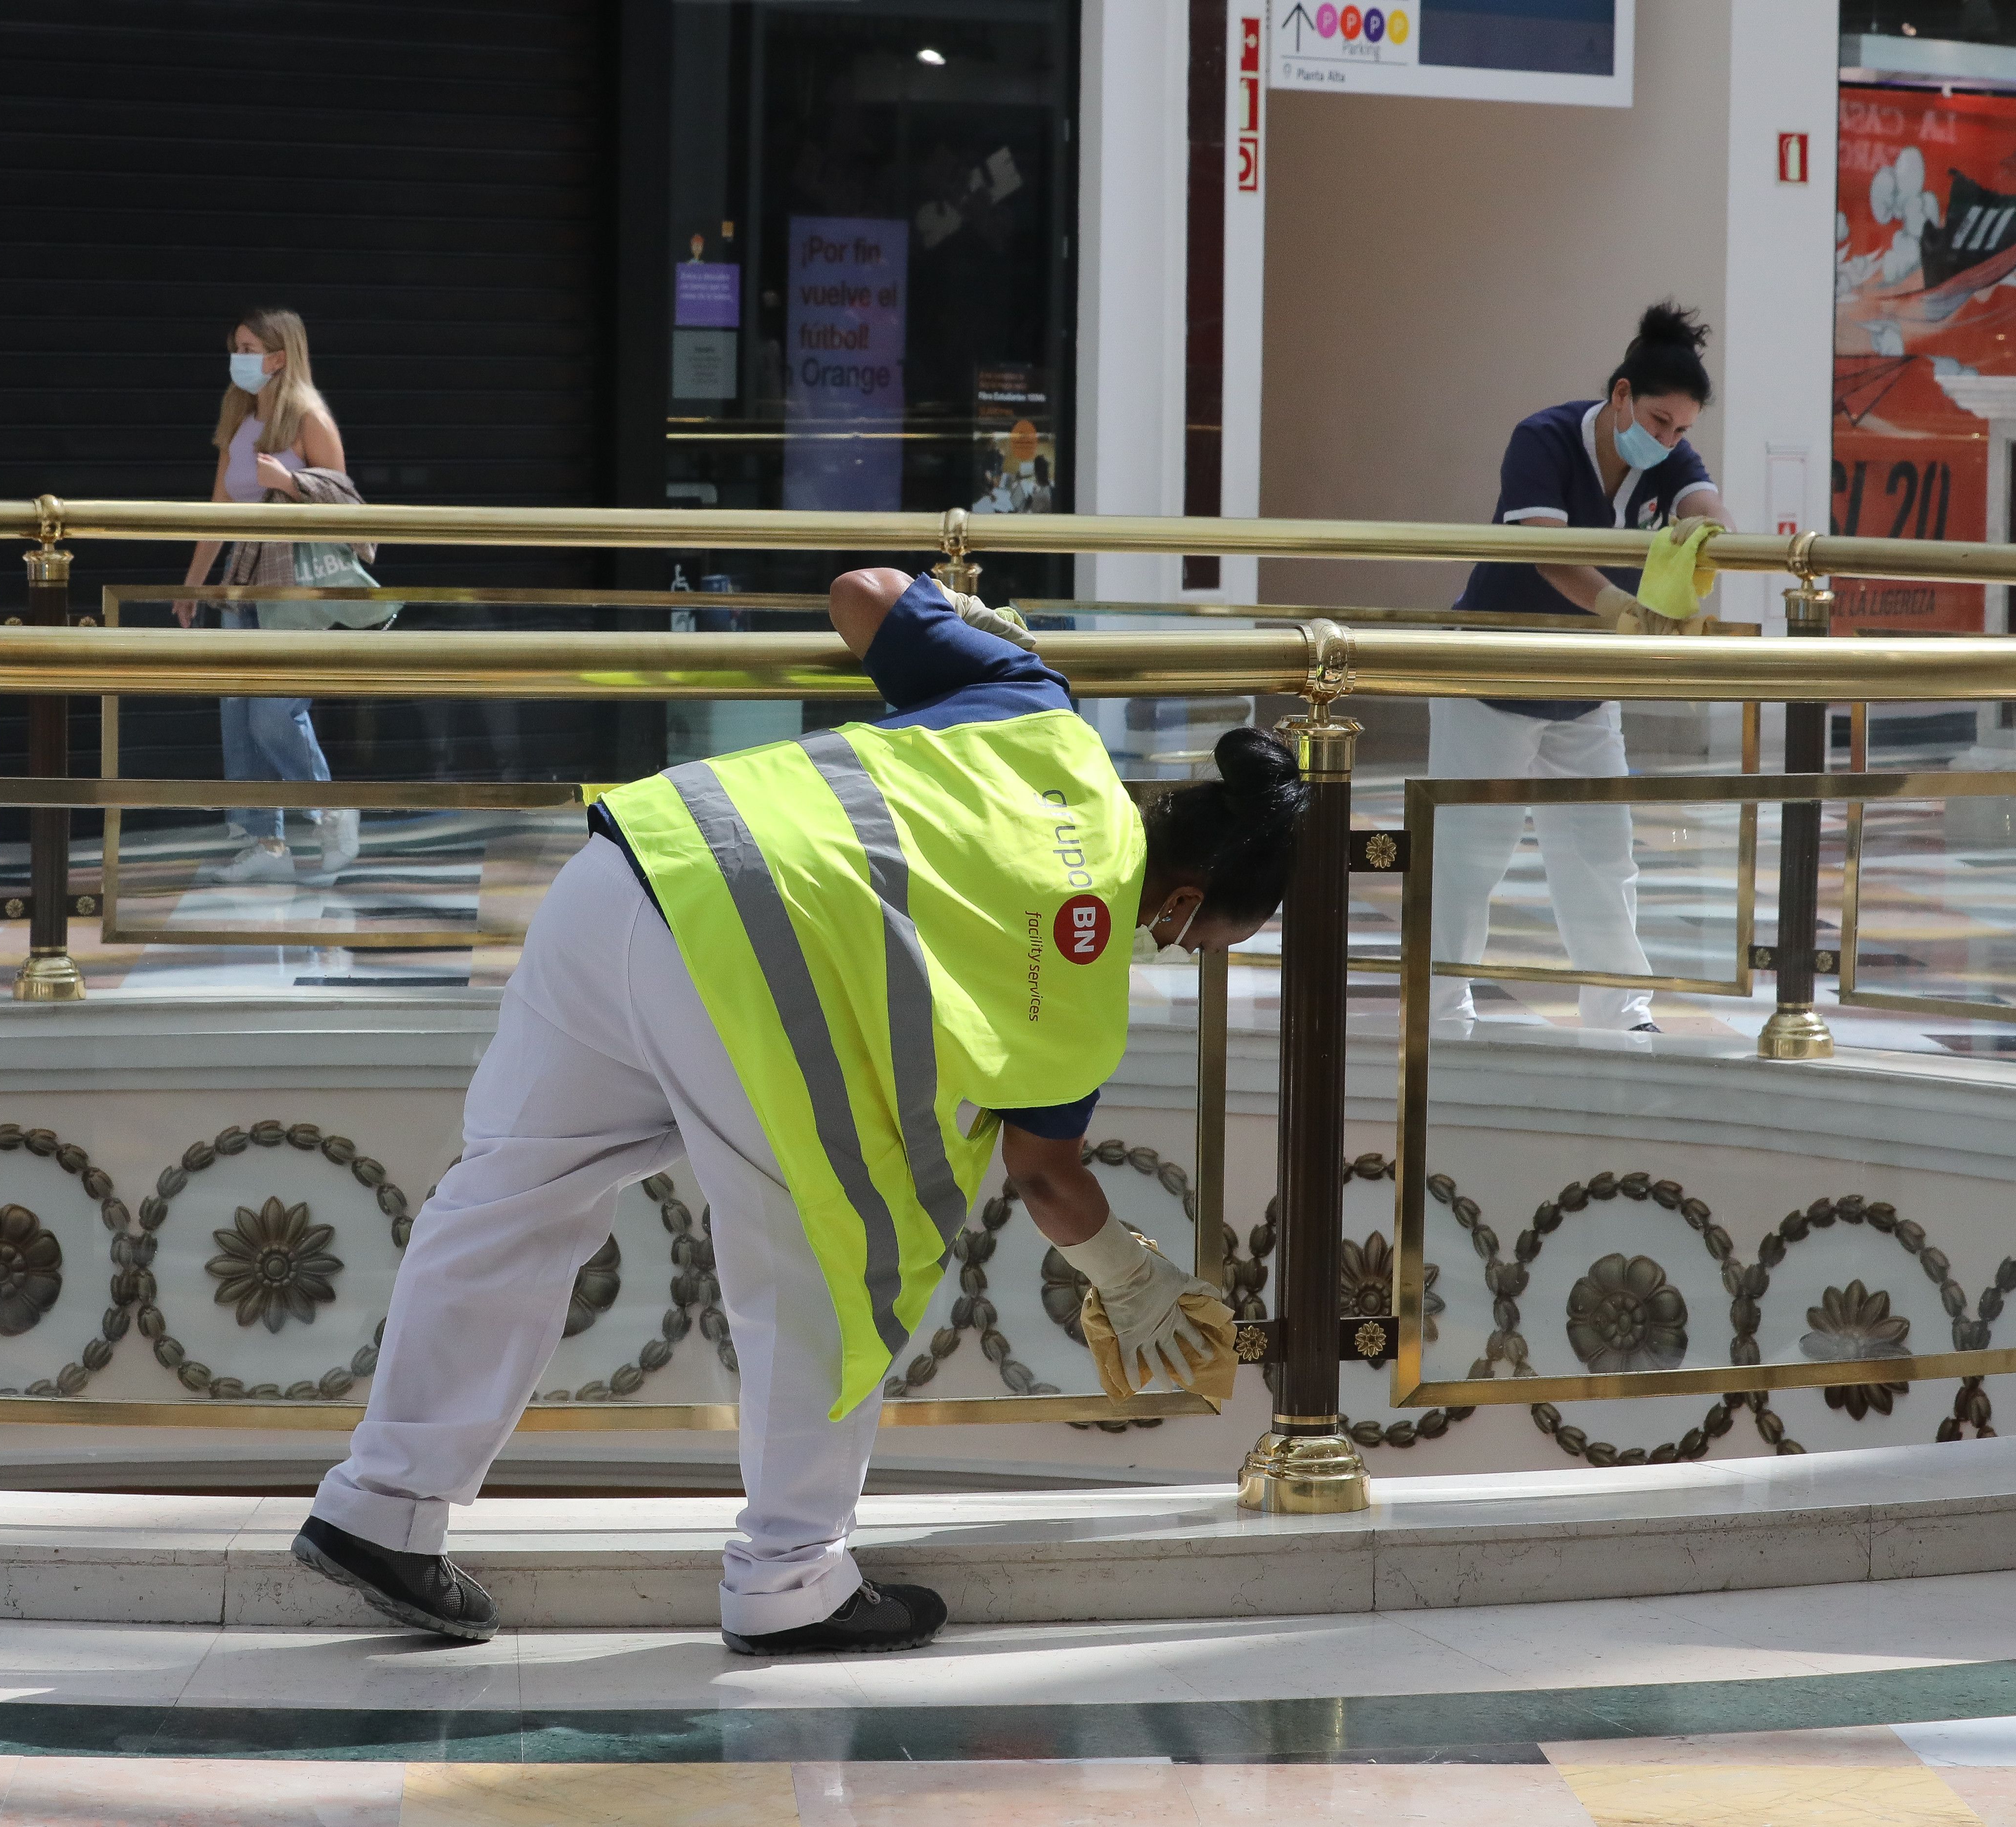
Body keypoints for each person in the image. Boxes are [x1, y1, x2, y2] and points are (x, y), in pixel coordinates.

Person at [293, 568, 1308, 1653]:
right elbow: (1045, 1175)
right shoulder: (1084, 984)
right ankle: (791, 1578)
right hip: (750, 980)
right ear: (1190, 900)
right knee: (843, 1254)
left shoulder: (1037, 710)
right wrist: (1132, 1273)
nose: (1171, 950)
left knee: (509, 1199)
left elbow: (860, 592)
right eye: (1195, 941)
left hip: (635, 871)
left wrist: (959, 618)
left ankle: (381, 1506)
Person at [1431, 301, 1733, 1033]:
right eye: (1660, 421)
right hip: (1494, 683)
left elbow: (1707, 511)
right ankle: (1439, 1009)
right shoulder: (1543, 438)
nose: (1669, 440)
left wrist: (1706, 539)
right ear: (1622, 395)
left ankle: (1620, 1011)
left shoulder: (1669, 459)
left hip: (1588, 693)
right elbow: (1548, 549)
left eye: (1684, 429)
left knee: (1602, 855)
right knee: (1470, 860)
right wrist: (1616, 608)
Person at [177, 307, 361, 886]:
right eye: (237, 344)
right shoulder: (240, 418)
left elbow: (347, 505)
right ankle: (265, 841)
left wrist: (291, 484)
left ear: (279, 356)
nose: (240, 356)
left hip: (293, 588)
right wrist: (193, 582)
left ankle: (333, 810)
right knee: (238, 715)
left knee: (274, 716)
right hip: (242, 584)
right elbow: (219, 512)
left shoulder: (309, 417)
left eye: (249, 346)